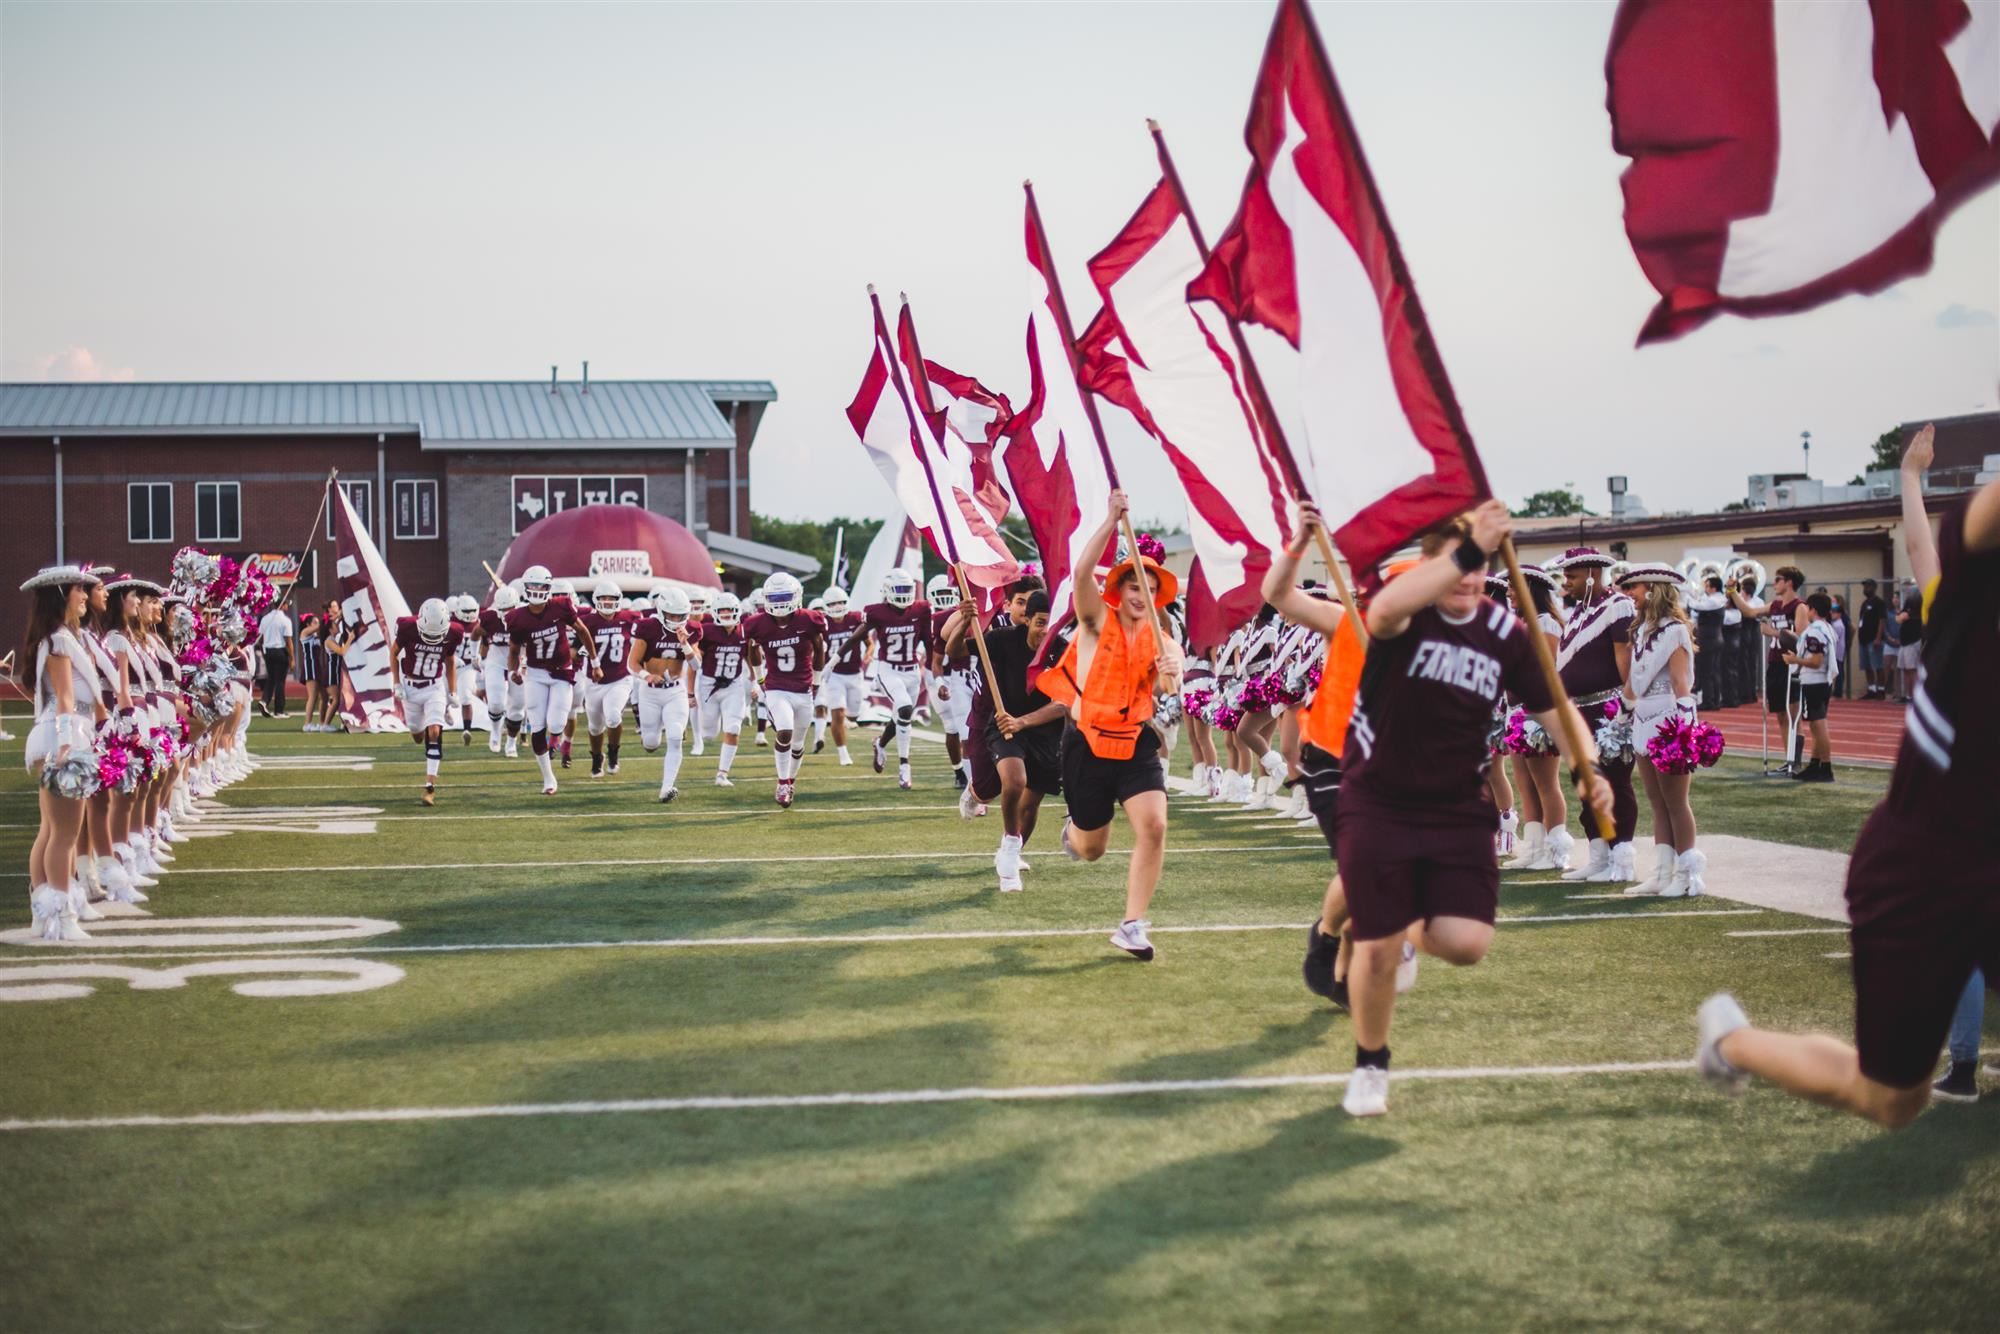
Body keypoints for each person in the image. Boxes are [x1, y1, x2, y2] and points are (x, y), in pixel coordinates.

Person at [1696, 437, 1996, 1129]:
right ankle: (1731, 1039)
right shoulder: (1970, 602)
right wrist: (1913, 481)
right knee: (1890, 1098)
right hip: (1923, 868)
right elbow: (1944, 542)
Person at [1332, 504, 1612, 1116]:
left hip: (1458, 806)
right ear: (1433, 562)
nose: (1468, 577)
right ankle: (1371, 1065)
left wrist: (1586, 766)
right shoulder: (1403, 609)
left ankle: (1396, 925)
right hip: (1379, 799)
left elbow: (1555, 710)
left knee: (1465, 943)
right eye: (1456, 562)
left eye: (1479, 564)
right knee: (1378, 952)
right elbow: (1379, 613)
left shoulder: (1507, 633)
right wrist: (1465, 547)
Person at [1040, 492, 1183, 961]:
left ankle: (1132, 924)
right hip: (1086, 744)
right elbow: (1081, 574)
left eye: (1148, 587)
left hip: (1136, 743)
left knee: (1155, 826)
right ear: (1119, 591)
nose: (1140, 595)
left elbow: (1167, 684)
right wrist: (1108, 520)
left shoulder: (1163, 637)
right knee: (1091, 849)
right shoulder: (1097, 620)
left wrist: (1171, 669)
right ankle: (1073, 833)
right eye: (1133, 587)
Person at [1261, 513, 1368, 1007]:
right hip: (1331, 757)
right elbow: (1278, 595)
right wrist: (1300, 541)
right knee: (1364, 864)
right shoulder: (1344, 619)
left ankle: (1340, 961)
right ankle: (1328, 936)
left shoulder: (1433, 633)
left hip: (1391, 765)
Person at [946, 589, 1064, 892]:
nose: (1044, 631)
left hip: (1043, 729)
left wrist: (1024, 721)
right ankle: (1011, 846)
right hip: (1003, 722)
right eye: (1040, 623)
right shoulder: (1002, 639)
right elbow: (954, 652)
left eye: (1051, 624)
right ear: (1026, 619)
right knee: (1013, 782)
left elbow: (1065, 703)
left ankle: (1011, 850)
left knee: (1032, 800)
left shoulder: (1061, 650)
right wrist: (965, 622)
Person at [20, 564, 106, 941]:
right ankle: (62, 918)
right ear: (61, 596)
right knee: (65, 835)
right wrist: (69, 747)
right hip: (62, 736)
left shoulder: (57, 637)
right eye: (78, 589)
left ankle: (44, 913)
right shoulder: (57, 640)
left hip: (56, 734)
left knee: (51, 831)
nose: (85, 595)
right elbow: (66, 698)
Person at [1617, 565, 1706, 896]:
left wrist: (1686, 728)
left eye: (1635, 587)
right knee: (1656, 801)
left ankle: (1688, 876)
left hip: (1668, 718)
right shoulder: (1640, 630)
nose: (1630, 594)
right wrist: (1620, 718)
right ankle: (1662, 873)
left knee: (1676, 802)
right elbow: (1634, 681)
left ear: (1654, 589)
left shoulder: (1675, 631)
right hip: (1642, 718)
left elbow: (1681, 682)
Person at [1553, 548, 1637, 882]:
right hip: (1579, 709)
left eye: (1571, 577)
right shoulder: (1577, 613)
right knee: (1586, 785)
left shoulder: (1618, 606)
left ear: (1591, 574)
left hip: (1608, 709)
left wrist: (1626, 713)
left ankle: (1622, 858)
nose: (1566, 584)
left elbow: (1625, 661)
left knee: (1614, 782)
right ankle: (1598, 856)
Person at [1501, 565, 1569, 872]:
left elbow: (1548, 668)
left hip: (1540, 710)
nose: (1509, 592)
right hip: (1517, 711)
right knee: (1525, 784)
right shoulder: (1520, 622)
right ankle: (1534, 847)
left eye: (1515, 587)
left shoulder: (1545, 623)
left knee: (1546, 783)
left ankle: (1555, 851)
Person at [742, 572, 827, 808]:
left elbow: (819, 649)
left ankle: (790, 781)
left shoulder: (809, 619)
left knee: (798, 744)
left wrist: (817, 681)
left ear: (796, 596)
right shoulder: (757, 623)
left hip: (803, 688)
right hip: (777, 687)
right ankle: (781, 781)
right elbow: (752, 648)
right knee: (785, 731)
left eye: (785, 596)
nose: (780, 602)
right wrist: (759, 679)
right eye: (775, 597)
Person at [505, 565, 588, 796]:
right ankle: (548, 777)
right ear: (525, 588)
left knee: (557, 723)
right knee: (538, 726)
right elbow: (513, 650)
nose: (537, 589)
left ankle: (559, 740)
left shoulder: (560, 607)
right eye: (533, 585)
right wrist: (513, 672)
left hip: (562, 670)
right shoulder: (518, 617)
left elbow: (582, 631)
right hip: (536, 673)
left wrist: (595, 660)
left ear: (549, 588)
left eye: (541, 586)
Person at [1731, 563, 1807, 770]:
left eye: (1778, 579)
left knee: (1793, 714)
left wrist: (1773, 633)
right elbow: (1749, 611)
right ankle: (1787, 758)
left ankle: (1795, 760)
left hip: (1790, 664)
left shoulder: (1799, 607)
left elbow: (1801, 638)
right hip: (1774, 662)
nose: (1775, 583)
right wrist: (1732, 592)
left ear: (1789, 583)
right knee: (1781, 714)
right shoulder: (1774, 605)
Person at [387, 597, 461, 806]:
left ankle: (429, 787)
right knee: (418, 735)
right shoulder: (407, 627)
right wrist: (396, 683)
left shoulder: (453, 632)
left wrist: (452, 691)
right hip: (410, 689)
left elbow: (450, 660)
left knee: (434, 732)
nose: (432, 638)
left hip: (433, 686)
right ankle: (429, 726)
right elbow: (393, 653)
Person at [627, 584, 697, 802]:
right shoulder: (647, 627)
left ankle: (667, 788)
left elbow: (697, 665)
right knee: (650, 743)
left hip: (675, 691)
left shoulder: (691, 629)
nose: (676, 620)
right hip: (650, 692)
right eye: (671, 615)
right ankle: (651, 737)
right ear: (661, 611)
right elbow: (632, 663)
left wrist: (685, 644)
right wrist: (646, 676)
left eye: (680, 615)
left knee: (675, 736)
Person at [863, 568, 931, 790]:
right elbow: (858, 636)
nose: (903, 594)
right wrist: (834, 660)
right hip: (888, 669)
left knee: (901, 716)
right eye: (899, 589)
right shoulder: (877, 612)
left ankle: (880, 744)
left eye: (907, 589)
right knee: (904, 709)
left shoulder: (921, 609)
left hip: (911, 671)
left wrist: (932, 671)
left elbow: (928, 642)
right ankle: (904, 765)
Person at [579, 579, 638, 778]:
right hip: (594, 682)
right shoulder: (587, 621)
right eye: (603, 598)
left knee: (613, 716)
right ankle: (597, 757)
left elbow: (652, 620)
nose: (607, 602)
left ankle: (613, 752)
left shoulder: (629, 618)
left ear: (618, 600)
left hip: (620, 678)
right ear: (596, 600)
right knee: (595, 726)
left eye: (611, 598)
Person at [694, 592, 750, 787]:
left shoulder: (744, 632)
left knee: (733, 728)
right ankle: (706, 734)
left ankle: (722, 774)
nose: (726, 614)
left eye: (730, 610)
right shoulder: (707, 631)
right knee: (709, 734)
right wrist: (691, 692)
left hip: (733, 684)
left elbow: (752, 658)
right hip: (708, 685)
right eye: (722, 611)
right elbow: (695, 662)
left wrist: (758, 682)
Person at [1782, 593, 1839, 783]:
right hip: (1823, 681)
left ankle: (1826, 766)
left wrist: (1794, 659)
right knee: (1817, 725)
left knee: (1818, 725)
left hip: (1815, 682)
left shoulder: (1815, 630)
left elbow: (1816, 661)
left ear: (1812, 609)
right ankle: (1816, 764)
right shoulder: (1827, 628)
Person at [928, 574, 977, 792]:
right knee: (965, 736)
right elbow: (936, 660)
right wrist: (940, 683)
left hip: (986, 679)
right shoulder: (943, 619)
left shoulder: (996, 614)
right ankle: (972, 789)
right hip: (960, 680)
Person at [814, 586, 868, 766]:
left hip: (855, 674)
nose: (837, 606)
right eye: (833, 603)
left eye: (841, 602)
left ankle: (847, 721)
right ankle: (843, 754)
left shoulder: (855, 618)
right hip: (834, 675)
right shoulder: (824, 624)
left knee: (852, 716)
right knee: (837, 714)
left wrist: (869, 653)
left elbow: (870, 642)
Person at [478, 585, 525, 758]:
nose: (506, 613)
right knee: (496, 703)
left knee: (518, 708)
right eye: (502, 609)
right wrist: (478, 657)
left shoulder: (526, 616)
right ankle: (495, 731)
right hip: (496, 661)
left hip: (519, 663)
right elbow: (476, 634)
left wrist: (525, 665)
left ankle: (511, 742)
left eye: (509, 608)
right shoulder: (490, 617)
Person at [448, 595, 483, 744]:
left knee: (466, 697)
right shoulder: (451, 623)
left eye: (472, 610)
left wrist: (480, 656)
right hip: (450, 663)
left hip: (468, 665)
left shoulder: (481, 623)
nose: (469, 614)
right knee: (444, 694)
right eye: (466, 610)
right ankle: (444, 710)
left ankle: (466, 729)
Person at [1855, 579, 1888, 699]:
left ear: (1874, 588)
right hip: (1863, 639)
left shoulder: (1879, 602)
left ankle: (1881, 690)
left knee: (1877, 665)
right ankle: (1871, 689)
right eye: (1864, 587)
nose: (1865, 589)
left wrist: (1878, 637)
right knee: (1867, 666)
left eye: (1868, 586)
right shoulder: (1865, 603)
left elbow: (1882, 620)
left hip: (1873, 639)